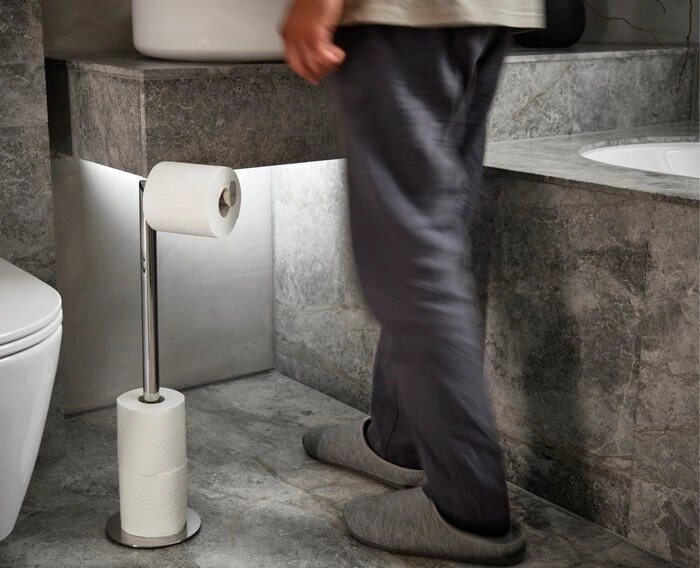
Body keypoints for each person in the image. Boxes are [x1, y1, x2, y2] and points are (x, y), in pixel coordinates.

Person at [280, 1, 544, 564]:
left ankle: (466, 506)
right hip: (482, 10)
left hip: (404, 15)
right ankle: (398, 442)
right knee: (431, 235)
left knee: (406, 259)